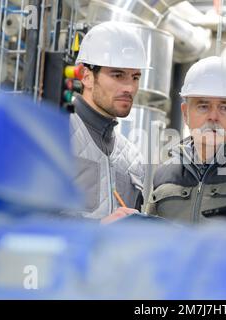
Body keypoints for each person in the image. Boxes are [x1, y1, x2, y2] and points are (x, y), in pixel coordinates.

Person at [146, 56, 226, 224]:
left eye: (224, 107)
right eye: (203, 106)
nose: (213, 116)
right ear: (185, 113)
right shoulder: (163, 175)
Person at [67, 21, 149, 222]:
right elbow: (24, 220)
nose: (129, 87)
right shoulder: (55, 134)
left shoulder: (133, 159)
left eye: (135, 77)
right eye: (118, 75)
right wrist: (96, 230)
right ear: (86, 76)